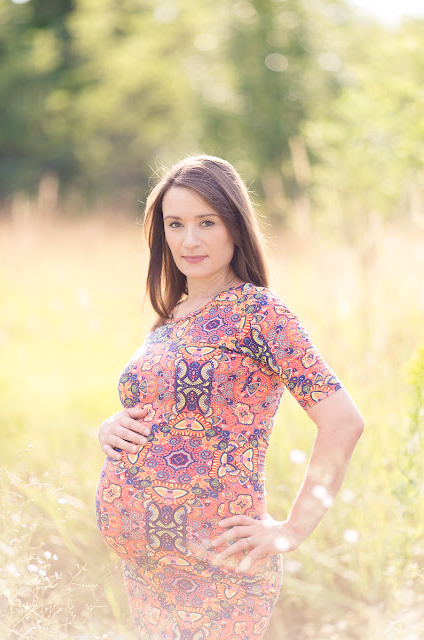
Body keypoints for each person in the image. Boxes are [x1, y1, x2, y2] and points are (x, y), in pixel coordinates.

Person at [95, 155, 364, 640]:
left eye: (206, 222)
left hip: (217, 568)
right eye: (175, 224)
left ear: (235, 226)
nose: (189, 240)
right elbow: (170, 406)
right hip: (149, 571)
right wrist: (110, 428)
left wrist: (292, 529)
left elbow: (343, 421)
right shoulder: (172, 315)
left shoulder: (259, 312)